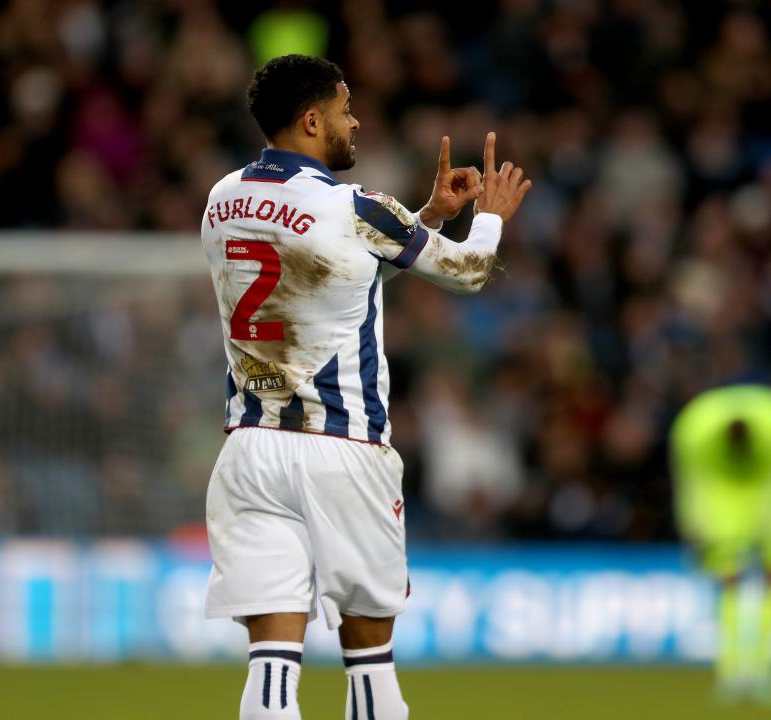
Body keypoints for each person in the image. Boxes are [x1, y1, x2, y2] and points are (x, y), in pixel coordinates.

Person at [200, 54, 530, 720]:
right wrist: (486, 217)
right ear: (312, 119)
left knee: (270, 665)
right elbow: (466, 271)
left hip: (250, 450)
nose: (356, 122)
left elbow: (328, 273)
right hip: (343, 450)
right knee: (370, 663)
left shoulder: (222, 197)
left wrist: (425, 215)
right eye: (346, 110)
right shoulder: (361, 207)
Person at [670, 383, 771, 703]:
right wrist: (694, 527)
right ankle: (731, 670)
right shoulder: (695, 430)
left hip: (769, 493)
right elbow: (691, 484)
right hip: (722, 497)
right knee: (729, 580)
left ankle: (763, 669)